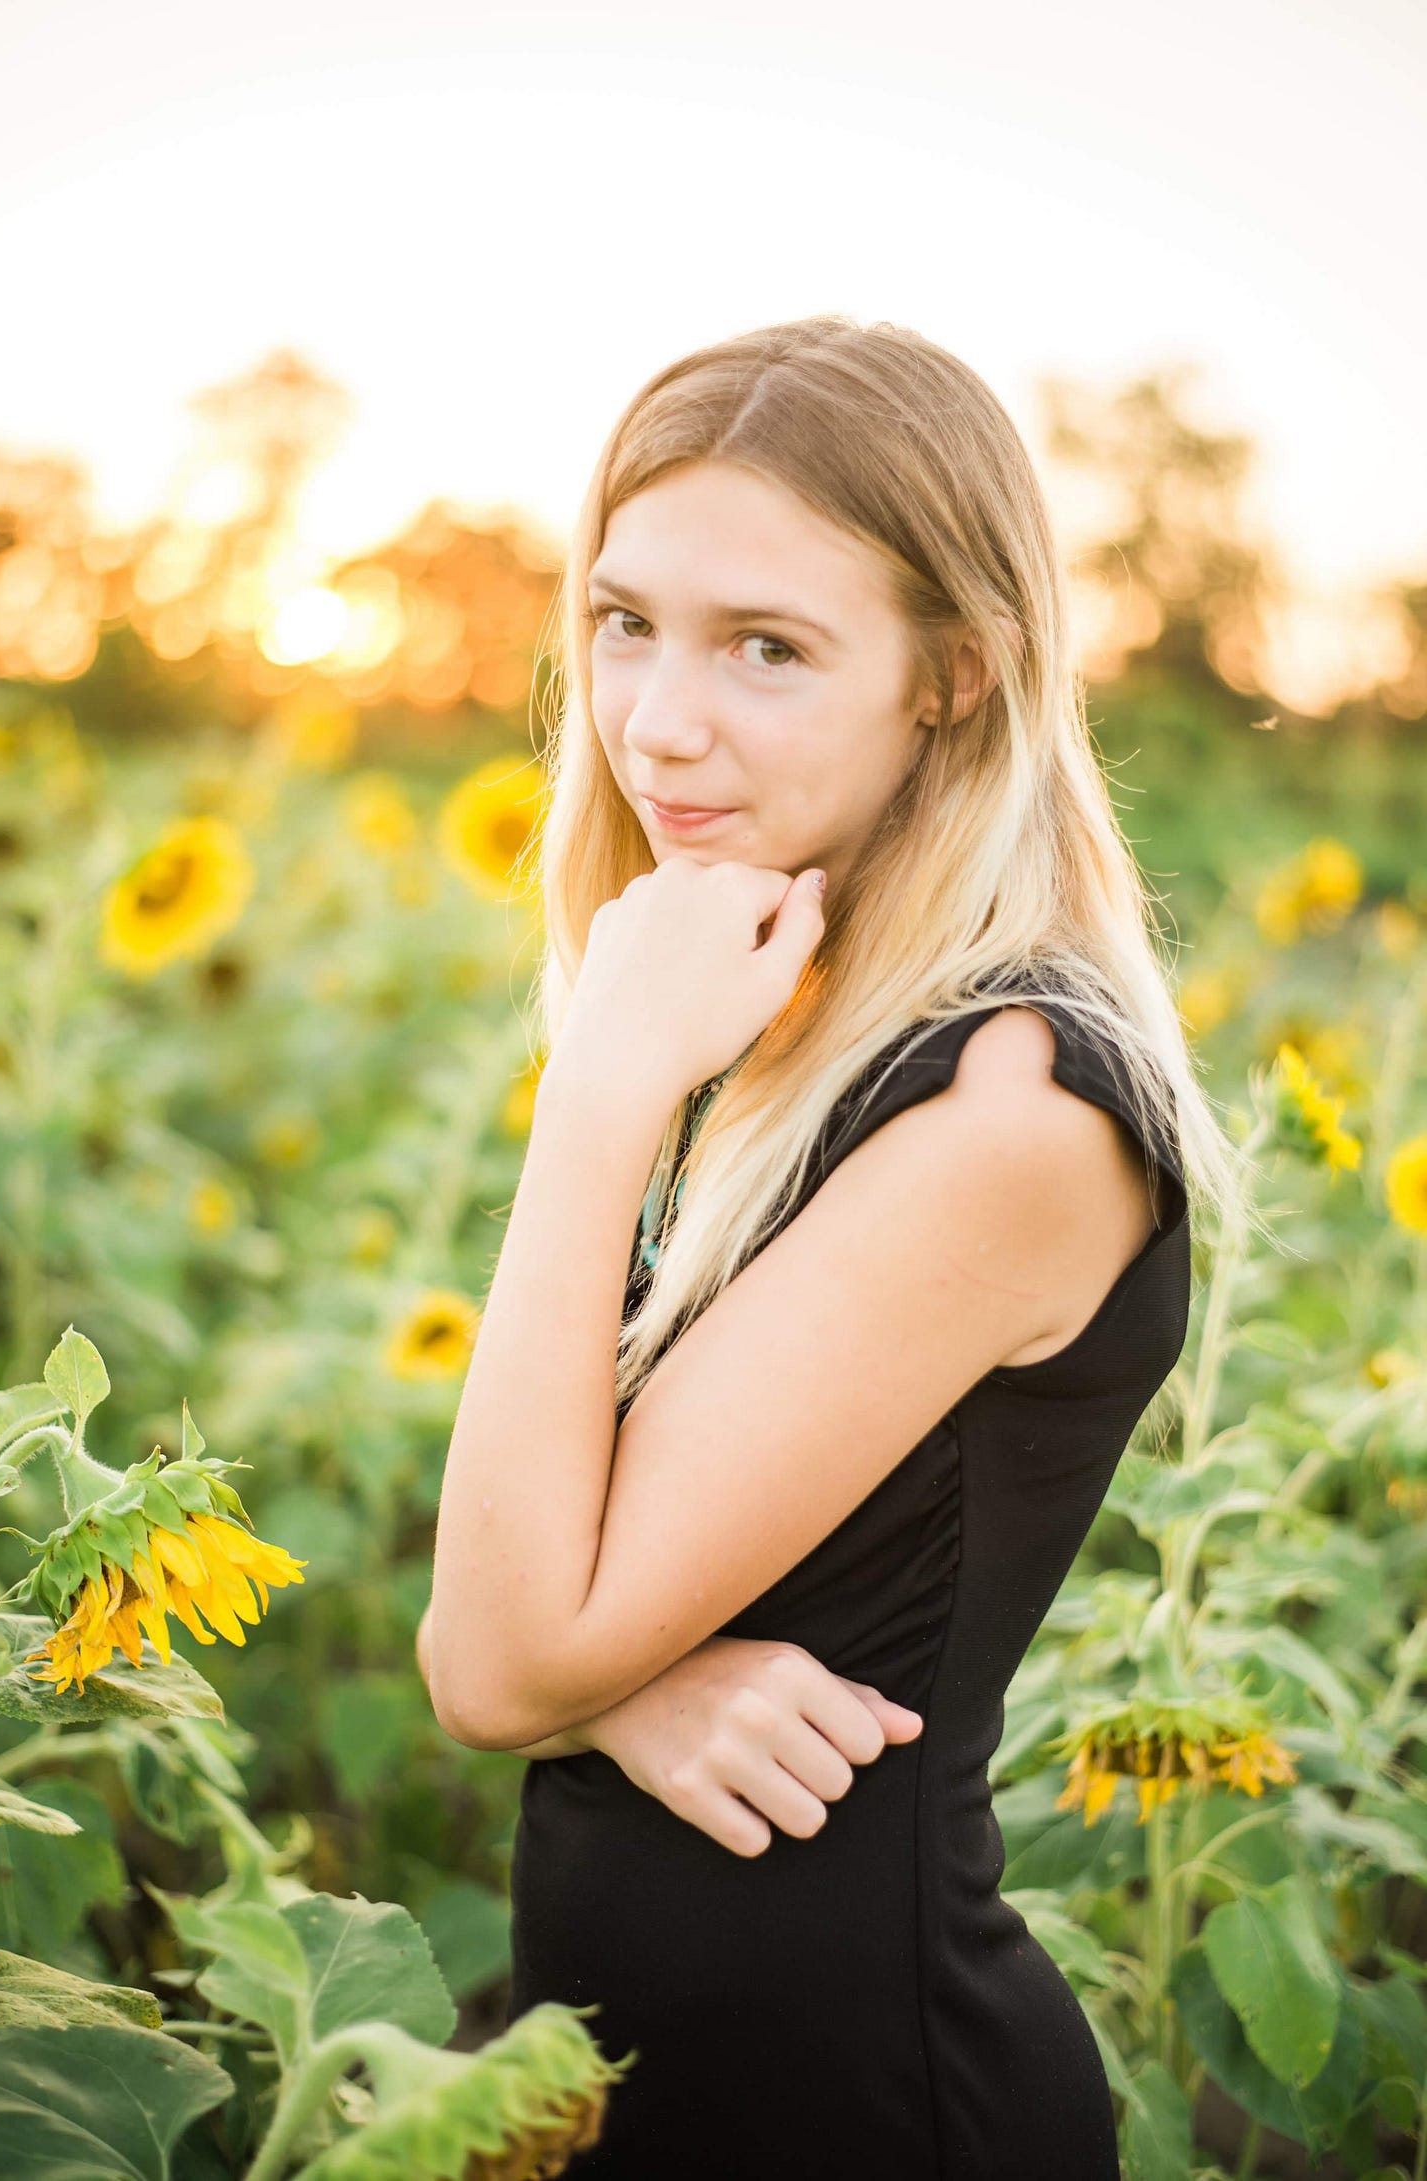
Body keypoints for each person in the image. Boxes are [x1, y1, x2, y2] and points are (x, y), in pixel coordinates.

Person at [415, 314, 1243, 2179]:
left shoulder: (1007, 1109)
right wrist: (631, 1679)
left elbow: (484, 1653)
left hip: (872, 2106)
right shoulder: (785, 1007)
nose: (657, 719)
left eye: (766, 648)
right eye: (625, 621)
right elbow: (535, 1571)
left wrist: (595, 1092)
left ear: (957, 676)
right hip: (653, 2087)